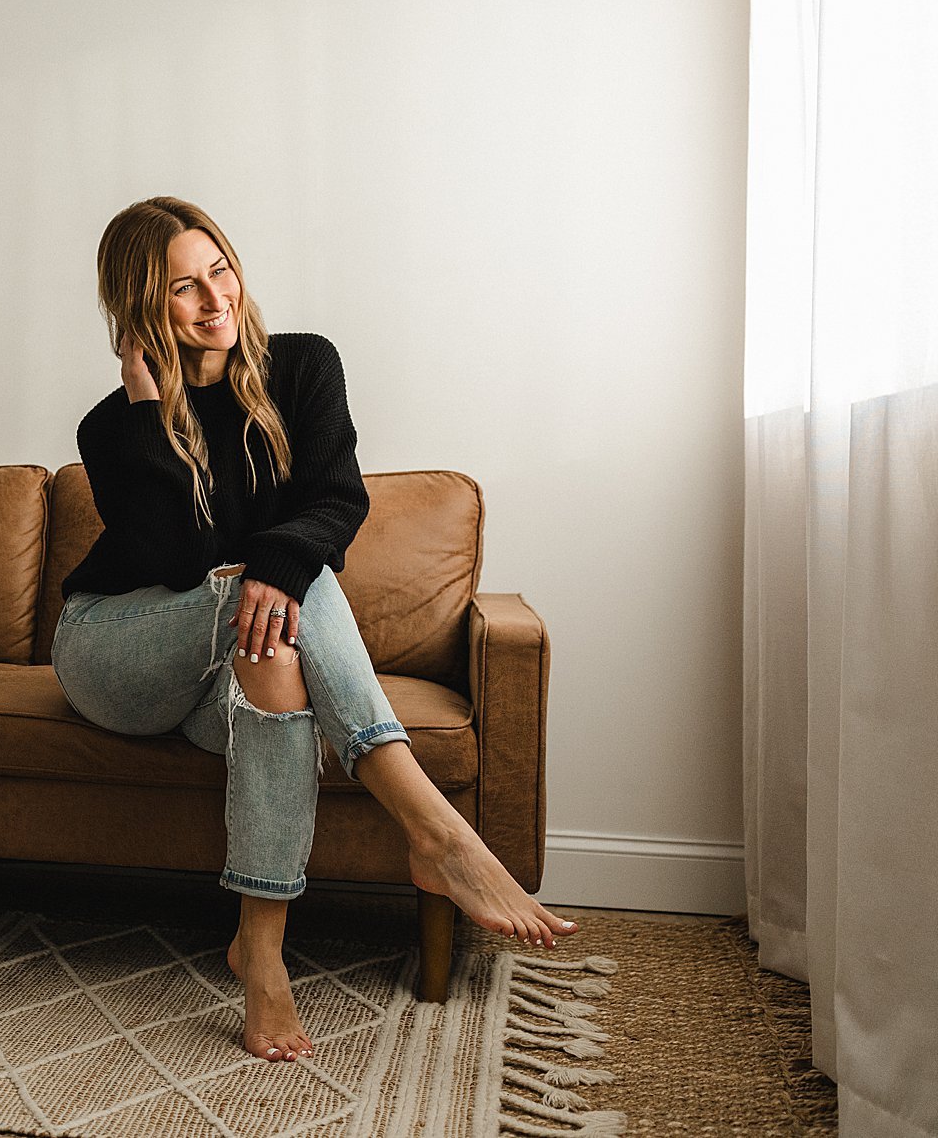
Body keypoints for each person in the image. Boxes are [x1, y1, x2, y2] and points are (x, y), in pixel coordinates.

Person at [49, 196, 578, 1066]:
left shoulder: (302, 367)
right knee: (274, 582)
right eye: (183, 288)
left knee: (276, 652)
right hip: (115, 646)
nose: (215, 298)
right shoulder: (112, 429)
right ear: (143, 310)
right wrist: (149, 408)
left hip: (230, 653)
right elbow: (182, 555)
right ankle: (439, 835)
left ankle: (259, 953)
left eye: (220, 269)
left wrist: (275, 570)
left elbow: (338, 497)